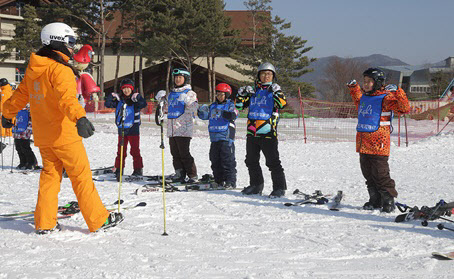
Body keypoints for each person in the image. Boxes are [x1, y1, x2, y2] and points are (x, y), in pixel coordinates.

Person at [1, 22, 123, 234]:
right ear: (57, 42)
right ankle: (98, 220)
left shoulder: (33, 69)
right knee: (81, 177)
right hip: (65, 136)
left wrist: (7, 114)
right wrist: (80, 118)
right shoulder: (60, 70)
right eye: (71, 42)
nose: (73, 47)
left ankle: (45, 223)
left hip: (44, 137)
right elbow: (67, 100)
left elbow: (20, 95)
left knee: (50, 177)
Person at [347, 68, 410, 213]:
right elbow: (358, 99)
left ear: (378, 83)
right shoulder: (365, 98)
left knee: (381, 174)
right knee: (368, 174)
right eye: (365, 81)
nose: (366, 84)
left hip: (379, 144)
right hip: (363, 144)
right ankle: (374, 199)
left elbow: (404, 108)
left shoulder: (386, 98)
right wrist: (354, 87)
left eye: (369, 81)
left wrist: (398, 92)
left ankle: (388, 200)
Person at [235, 62, 288, 198]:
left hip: (268, 132)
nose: (266, 76)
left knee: (272, 162)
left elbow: (282, 104)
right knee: (251, 160)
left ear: (273, 76)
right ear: (259, 75)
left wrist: (277, 92)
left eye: (269, 74)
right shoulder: (253, 91)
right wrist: (241, 94)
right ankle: (256, 185)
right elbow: (240, 106)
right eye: (263, 73)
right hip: (252, 131)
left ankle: (279, 188)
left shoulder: (274, 91)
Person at [155, 68, 198, 183]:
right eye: (176, 78)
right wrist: (161, 102)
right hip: (172, 129)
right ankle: (179, 173)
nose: (178, 80)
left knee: (184, 153)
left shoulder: (190, 93)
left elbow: (194, 108)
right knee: (175, 153)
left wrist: (187, 101)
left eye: (180, 77)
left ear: (185, 79)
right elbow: (166, 109)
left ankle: (192, 175)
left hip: (184, 128)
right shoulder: (172, 94)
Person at [105, 78, 147, 180]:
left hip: (133, 130)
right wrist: (111, 96)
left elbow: (143, 104)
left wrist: (138, 97)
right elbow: (107, 104)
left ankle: (138, 169)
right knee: (121, 151)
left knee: (135, 150)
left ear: (132, 89)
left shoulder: (134, 100)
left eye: (128, 88)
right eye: (124, 88)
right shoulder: (119, 101)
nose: (126, 90)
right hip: (122, 129)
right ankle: (119, 169)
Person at [197, 83, 238, 189]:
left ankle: (230, 181)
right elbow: (205, 116)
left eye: (222, 94)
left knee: (227, 160)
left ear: (227, 95)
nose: (219, 96)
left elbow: (234, 114)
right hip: (214, 138)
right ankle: (218, 180)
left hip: (225, 137)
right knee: (215, 159)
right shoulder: (213, 106)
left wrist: (226, 113)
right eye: (218, 94)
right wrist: (200, 111)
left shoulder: (230, 105)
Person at [13, 105, 39, 170]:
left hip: (26, 127)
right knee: (18, 146)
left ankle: (32, 162)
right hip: (18, 126)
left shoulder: (30, 105)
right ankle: (23, 162)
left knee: (25, 147)